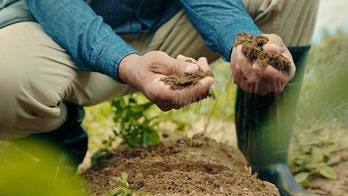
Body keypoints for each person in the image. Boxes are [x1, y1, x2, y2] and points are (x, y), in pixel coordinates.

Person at [0, 0, 319, 195]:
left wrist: (240, 40)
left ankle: (269, 164)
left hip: (166, 23)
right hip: (60, 31)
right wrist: (127, 63)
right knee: (5, 80)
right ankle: (56, 134)